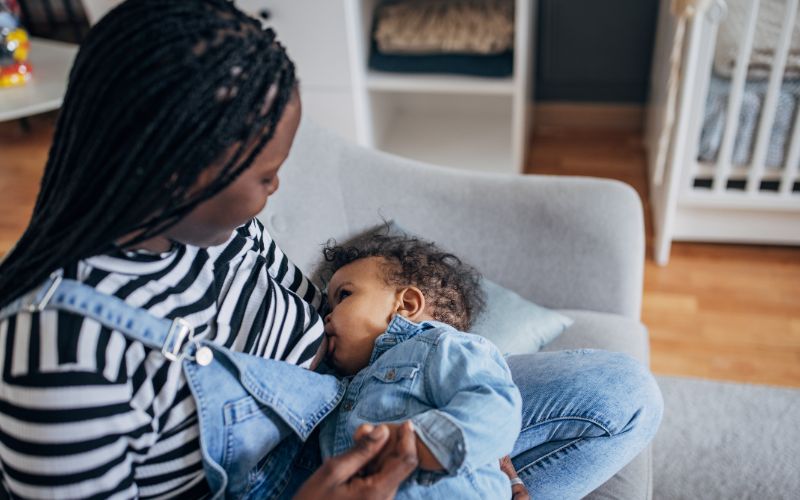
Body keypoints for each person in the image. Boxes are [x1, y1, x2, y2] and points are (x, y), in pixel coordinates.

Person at [0, 0, 663, 498]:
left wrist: (451, 425)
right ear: (179, 167)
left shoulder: (220, 229)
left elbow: (337, 323)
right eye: (265, 174)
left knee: (622, 394)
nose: (277, 187)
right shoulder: (59, 356)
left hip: (367, 404)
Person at [316, 234, 523, 498]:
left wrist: (422, 441)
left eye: (343, 295)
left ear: (406, 304)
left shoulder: (441, 346)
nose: (326, 318)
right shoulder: (341, 382)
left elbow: (497, 405)